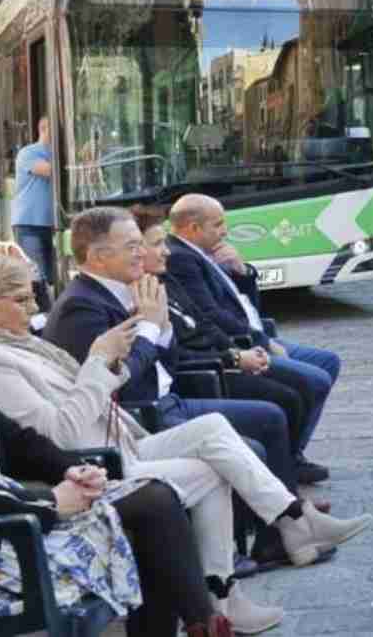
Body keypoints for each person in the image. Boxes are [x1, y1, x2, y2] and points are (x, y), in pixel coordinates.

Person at [0, 253, 371, 632]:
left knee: (213, 427)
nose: (32, 309)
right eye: (19, 300)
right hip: (91, 457)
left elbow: (109, 382)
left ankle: (288, 524)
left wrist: (121, 353)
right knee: (211, 467)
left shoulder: (23, 343)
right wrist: (106, 357)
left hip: (121, 434)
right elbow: (58, 430)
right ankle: (228, 589)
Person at [0, 265, 235, 636]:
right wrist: (50, 501)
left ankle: (201, 623)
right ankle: (204, 623)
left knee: (155, 498)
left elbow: (17, 441)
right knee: (151, 509)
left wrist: (72, 470)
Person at [43, 208, 300, 499]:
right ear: (98, 257)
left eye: (141, 244)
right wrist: (151, 329)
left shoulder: (126, 289)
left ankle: (290, 524)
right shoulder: (81, 306)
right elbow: (118, 383)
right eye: (131, 246)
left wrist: (163, 328)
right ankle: (287, 526)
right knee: (255, 439)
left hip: (168, 399)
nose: (142, 253)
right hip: (140, 417)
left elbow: (167, 363)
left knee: (271, 416)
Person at [131, 207, 314, 494]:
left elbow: (204, 322)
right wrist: (235, 357)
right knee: (286, 399)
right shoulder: (145, 290)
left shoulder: (163, 281)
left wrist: (239, 351)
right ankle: (289, 509)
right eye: (156, 244)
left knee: (299, 387)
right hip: (196, 378)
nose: (165, 251)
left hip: (222, 356)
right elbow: (172, 358)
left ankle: (290, 495)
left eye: (163, 243)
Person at [166, 194, 342, 485]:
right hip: (243, 343)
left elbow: (244, 302)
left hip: (258, 333)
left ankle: (292, 453)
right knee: (314, 380)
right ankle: (288, 460)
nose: (225, 231)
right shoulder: (182, 259)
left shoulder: (206, 253)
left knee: (328, 361)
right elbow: (210, 317)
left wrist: (242, 270)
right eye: (218, 224)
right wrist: (257, 343)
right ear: (193, 228)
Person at [12, 115, 58, 291]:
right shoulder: (28, 152)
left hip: (53, 223)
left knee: (52, 275)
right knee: (36, 275)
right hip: (29, 222)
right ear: (44, 129)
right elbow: (48, 170)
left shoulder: (59, 153)